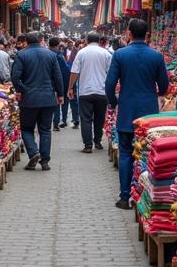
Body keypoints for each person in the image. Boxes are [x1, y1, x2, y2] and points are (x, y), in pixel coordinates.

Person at [104, 18, 169, 208]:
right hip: (149, 112)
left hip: (127, 109)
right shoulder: (156, 56)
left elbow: (109, 84)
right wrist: (156, 93)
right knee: (148, 152)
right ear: (147, 34)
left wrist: (114, 102)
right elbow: (164, 86)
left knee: (125, 152)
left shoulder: (120, 55)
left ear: (129, 33)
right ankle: (144, 198)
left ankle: (125, 197)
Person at [11, 31, 64, 171]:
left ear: (26, 42)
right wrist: (60, 94)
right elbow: (58, 77)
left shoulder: (21, 54)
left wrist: (22, 90)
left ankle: (34, 153)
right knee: (45, 130)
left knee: (27, 128)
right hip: (48, 98)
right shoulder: (51, 55)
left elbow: (15, 77)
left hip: (29, 99)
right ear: (41, 40)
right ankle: (45, 161)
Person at [68, 30, 112, 152]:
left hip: (85, 92)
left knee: (85, 119)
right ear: (99, 41)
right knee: (99, 118)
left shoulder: (81, 53)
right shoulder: (106, 53)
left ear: (87, 41)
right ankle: (97, 141)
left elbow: (74, 72)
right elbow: (111, 73)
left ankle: (88, 145)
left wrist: (70, 87)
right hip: (101, 91)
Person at [48, 37, 72, 131]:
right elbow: (65, 70)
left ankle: (55, 122)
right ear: (57, 46)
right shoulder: (58, 56)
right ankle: (59, 121)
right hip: (59, 82)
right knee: (60, 101)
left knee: (55, 104)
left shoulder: (46, 54)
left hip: (48, 83)